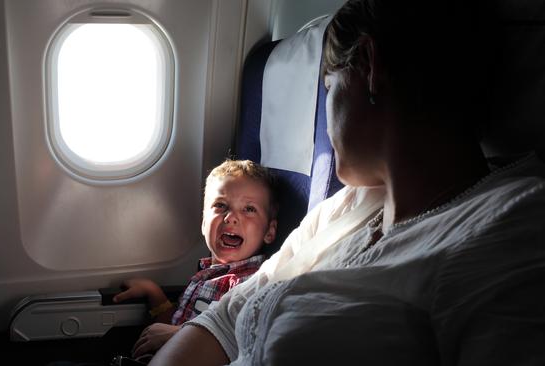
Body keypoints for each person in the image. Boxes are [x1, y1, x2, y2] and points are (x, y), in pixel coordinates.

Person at [149, 1, 545, 365]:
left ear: (370, 67)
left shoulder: (513, 225)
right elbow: (228, 315)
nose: (325, 113)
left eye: (328, 87)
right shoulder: (346, 206)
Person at [112, 159, 278, 362]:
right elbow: (171, 326)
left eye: (249, 209)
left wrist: (178, 335)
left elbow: (242, 339)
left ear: (269, 232)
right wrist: (155, 295)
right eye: (220, 205)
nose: (231, 217)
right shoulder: (209, 274)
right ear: (203, 222)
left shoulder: (251, 283)